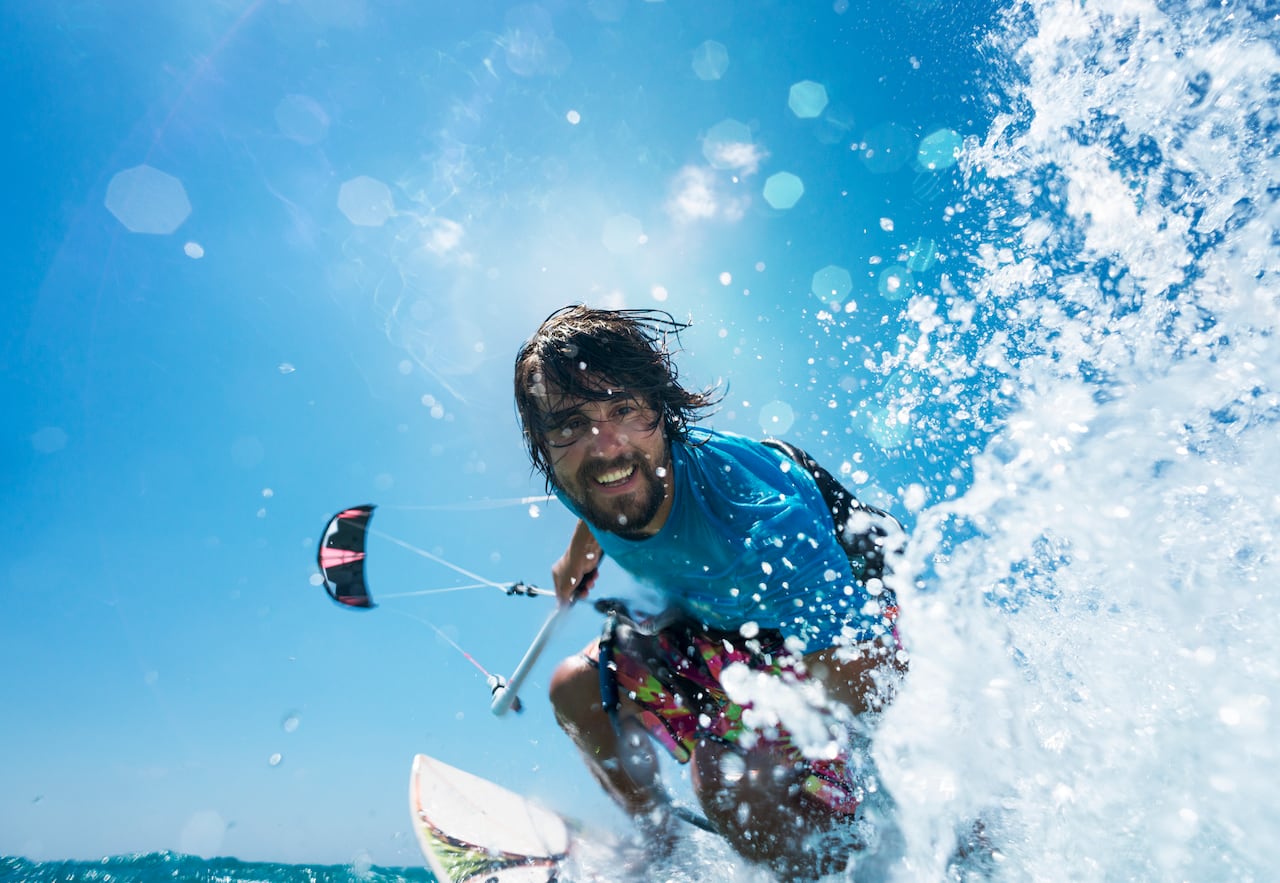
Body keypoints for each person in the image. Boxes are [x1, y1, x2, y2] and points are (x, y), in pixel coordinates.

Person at [513, 305, 906, 878]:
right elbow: (592, 514)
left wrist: (915, 817)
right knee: (574, 691)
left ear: (663, 415)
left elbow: (879, 692)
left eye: (623, 409)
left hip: (839, 617)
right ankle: (663, 845)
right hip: (713, 620)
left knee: (729, 783)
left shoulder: (762, 527)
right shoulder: (590, 480)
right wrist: (574, 561)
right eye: (569, 424)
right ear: (543, 445)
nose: (604, 447)